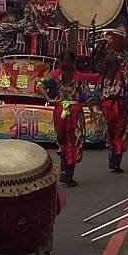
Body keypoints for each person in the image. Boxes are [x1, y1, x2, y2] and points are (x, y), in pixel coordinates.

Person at [37, 50, 91, 187]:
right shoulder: (78, 77)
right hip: (74, 111)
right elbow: (86, 96)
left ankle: (64, 170)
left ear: (60, 61)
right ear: (74, 61)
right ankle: (69, 174)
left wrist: (49, 99)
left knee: (62, 141)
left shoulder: (55, 75)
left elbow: (39, 85)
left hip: (60, 109)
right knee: (74, 142)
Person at [94, 54, 128, 173]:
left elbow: (97, 93)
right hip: (118, 107)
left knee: (110, 135)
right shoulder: (120, 76)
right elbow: (126, 88)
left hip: (105, 107)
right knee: (119, 135)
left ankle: (111, 159)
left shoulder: (101, 77)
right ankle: (116, 162)